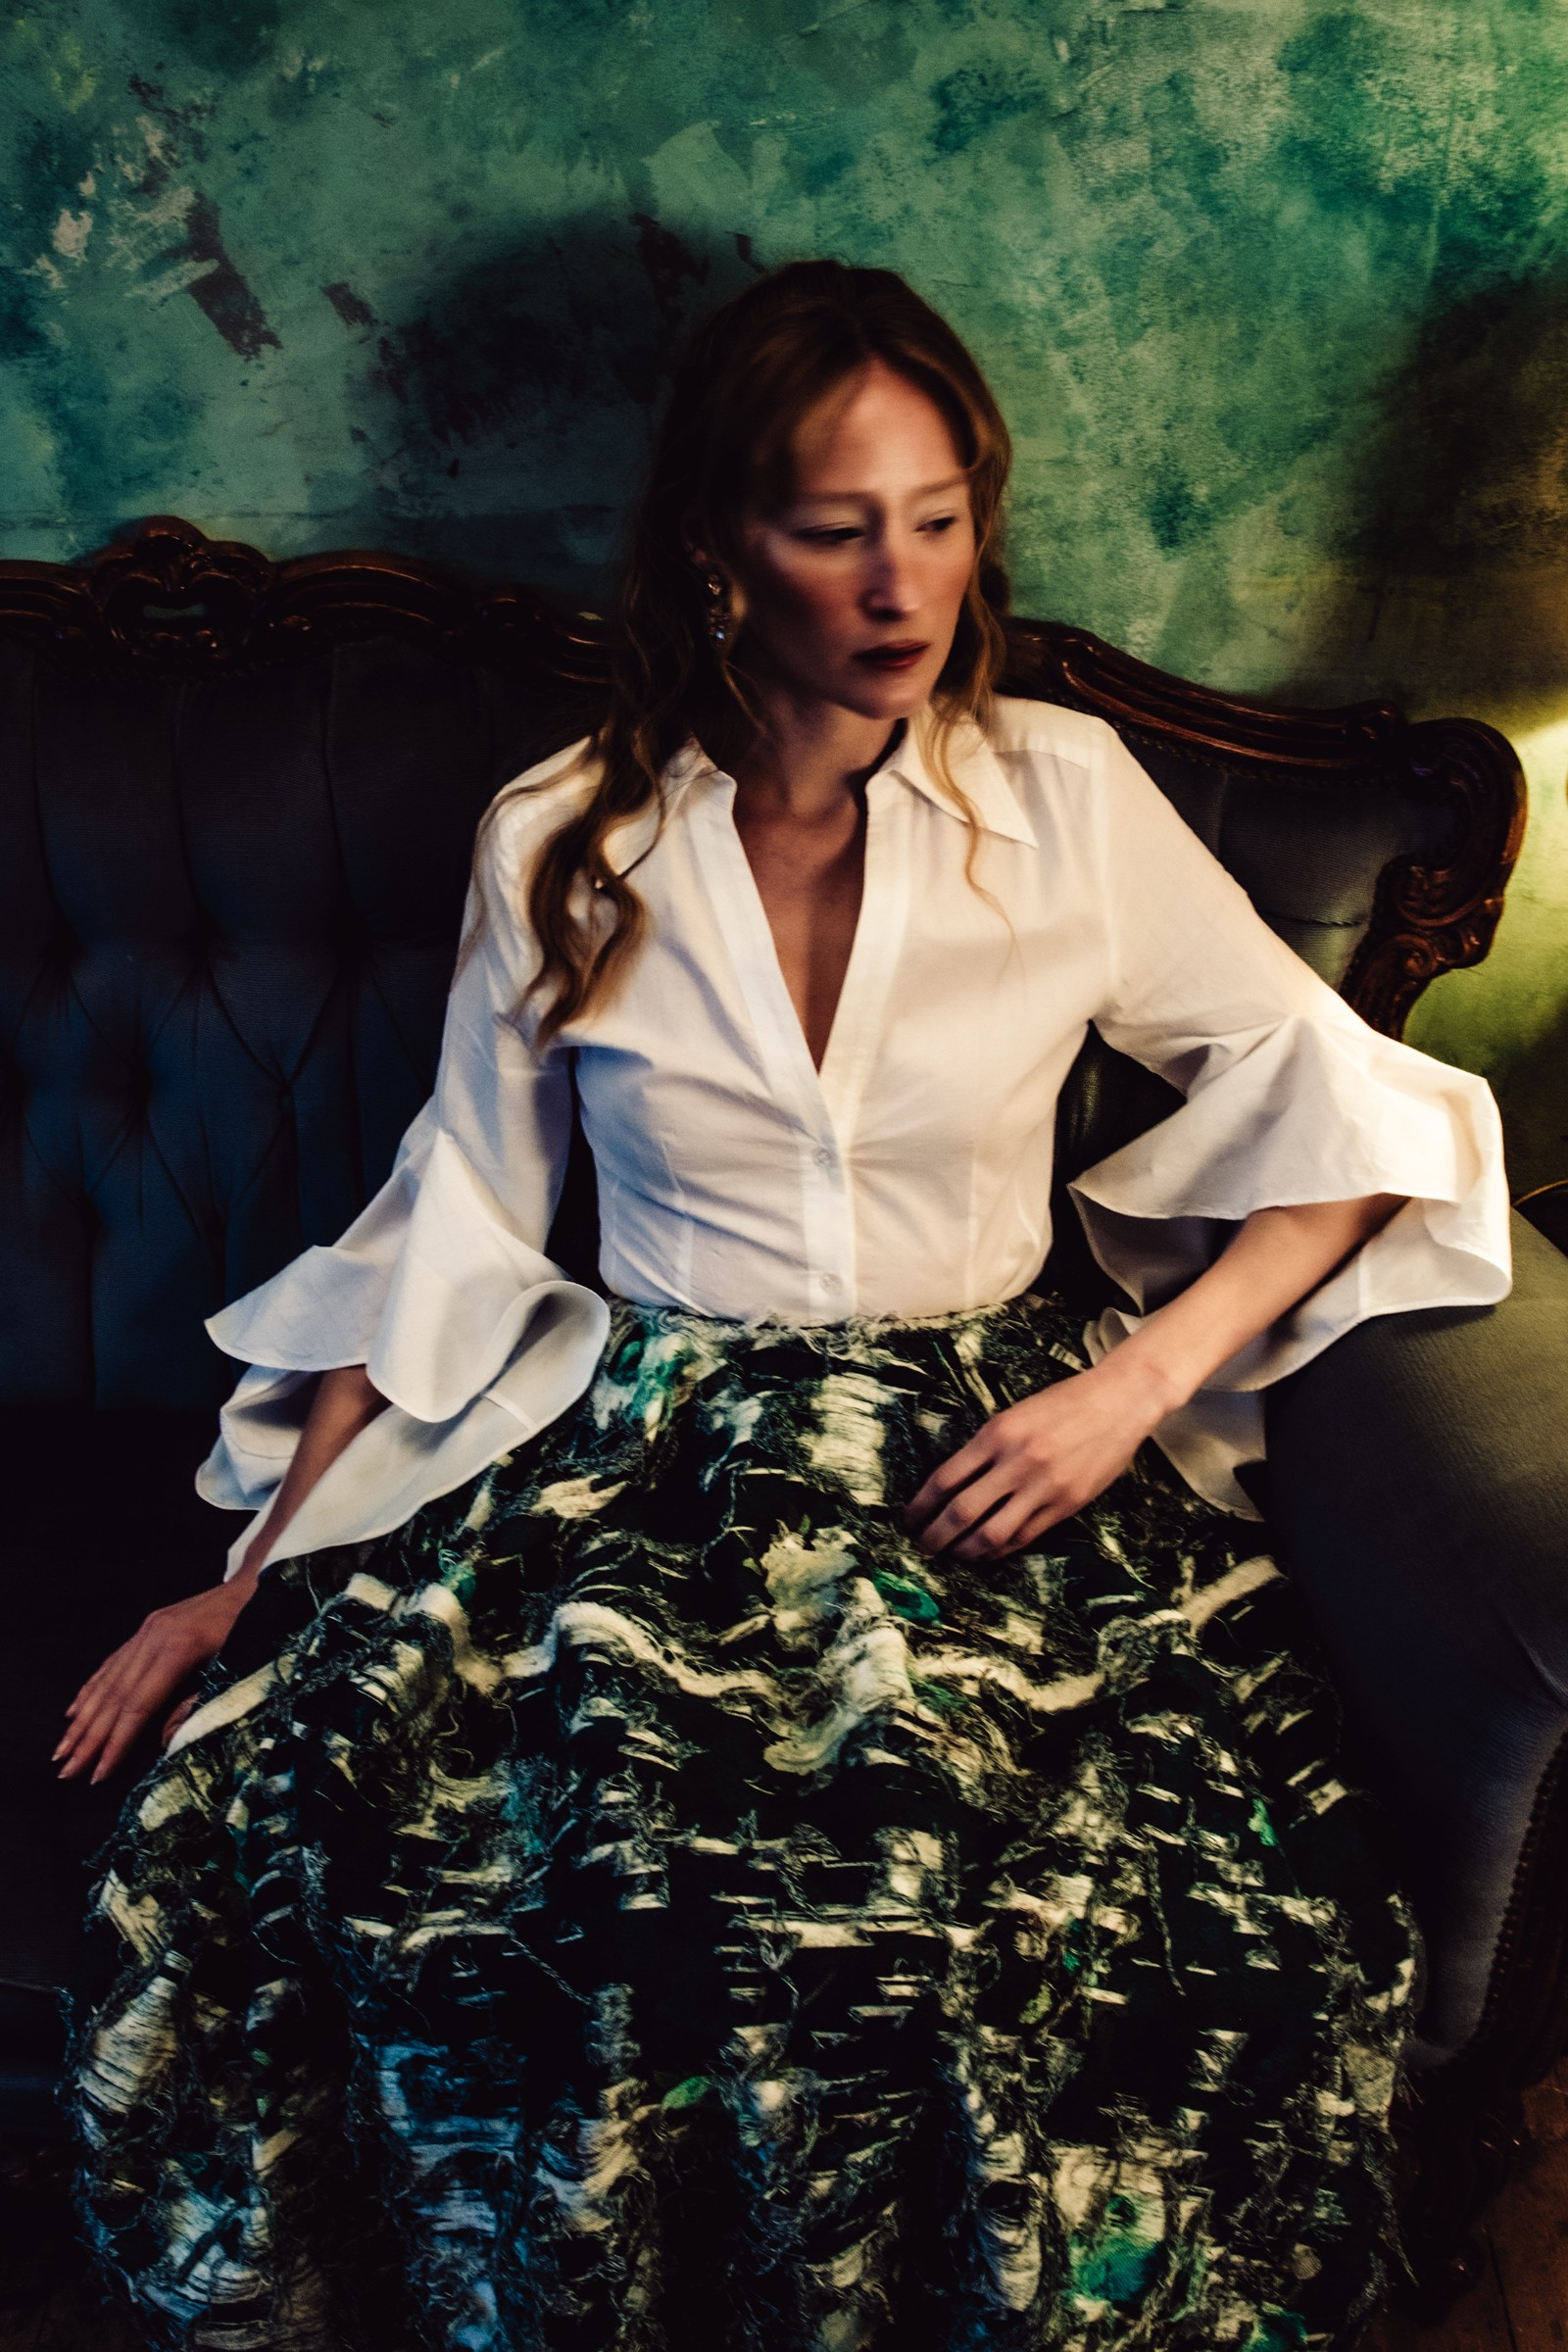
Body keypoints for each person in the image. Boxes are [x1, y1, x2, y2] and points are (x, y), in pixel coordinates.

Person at [61, 261, 1508, 2352]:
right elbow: (454, 1220)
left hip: (983, 1455)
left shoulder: (1064, 800)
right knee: (515, 1867)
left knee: (974, 1886)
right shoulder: (562, 838)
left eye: (936, 517)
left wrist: (1133, 1386)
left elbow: (1353, 1116)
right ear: (716, 546)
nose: (902, 582)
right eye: (836, 526)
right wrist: (250, 1570)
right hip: (646, 1457)